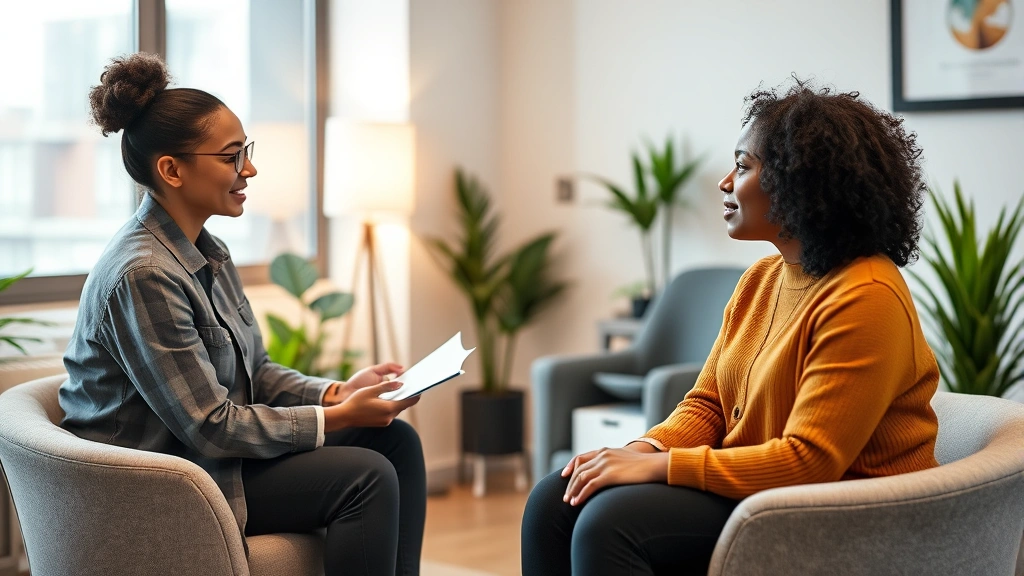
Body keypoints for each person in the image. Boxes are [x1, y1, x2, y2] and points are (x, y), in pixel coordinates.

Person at [521, 78, 941, 576]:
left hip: (843, 509)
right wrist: (639, 451)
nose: (724, 183)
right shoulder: (761, 280)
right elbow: (708, 404)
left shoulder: (866, 296)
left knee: (609, 522)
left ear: (799, 181)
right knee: (555, 498)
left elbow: (810, 461)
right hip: (759, 492)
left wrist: (660, 467)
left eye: (742, 167)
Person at [59, 52, 426, 576]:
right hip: (165, 483)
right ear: (171, 170)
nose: (249, 168)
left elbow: (255, 373)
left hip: (211, 458)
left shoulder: (208, 252)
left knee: (395, 440)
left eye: (245, 151)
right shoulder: (143, 274)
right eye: (232, 156)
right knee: (366, 475)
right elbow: (211, 426)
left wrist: (335, 393)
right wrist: (338, 418)